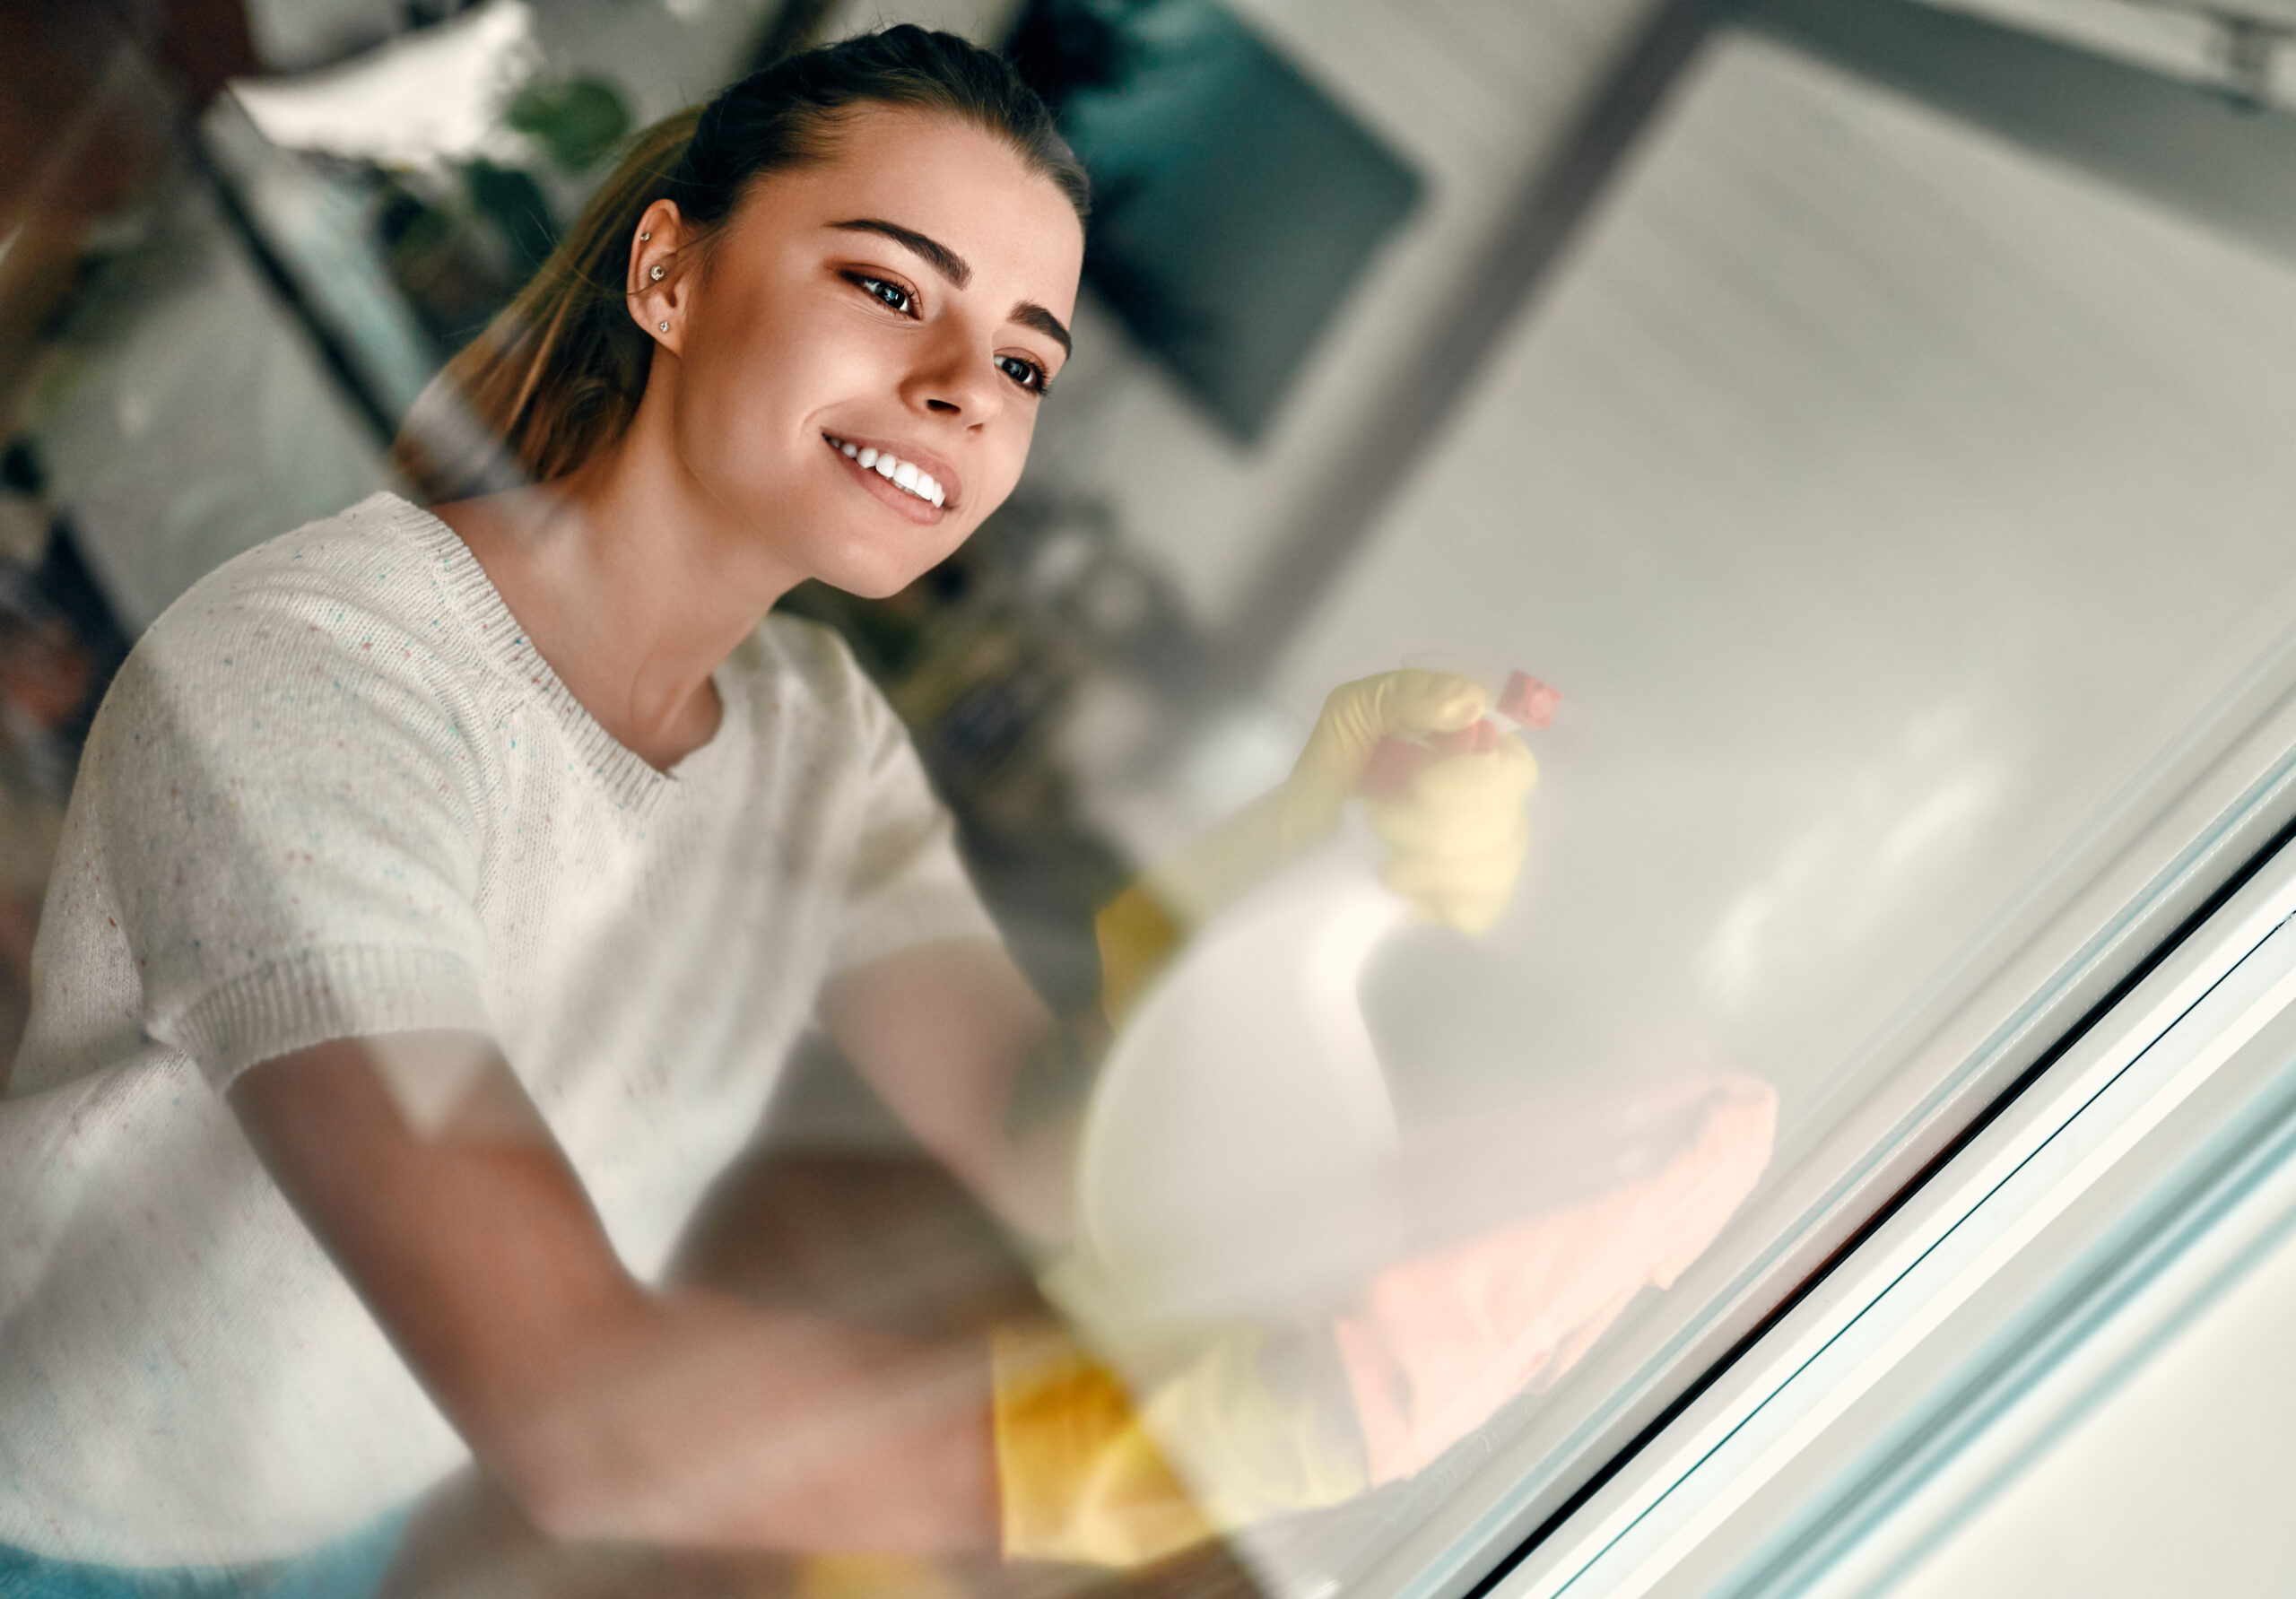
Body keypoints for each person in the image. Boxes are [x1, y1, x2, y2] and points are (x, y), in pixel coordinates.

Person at [0, 24, 1555, 1594]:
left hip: (336, 1535)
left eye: (1026, 361)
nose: (964, 391)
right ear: (670, 274)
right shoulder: (325, 681)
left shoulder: (816, 741)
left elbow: (1054, 1156)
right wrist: (1127, 1462)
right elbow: (573, 1404)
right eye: (889, 289)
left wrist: (1301, 879)